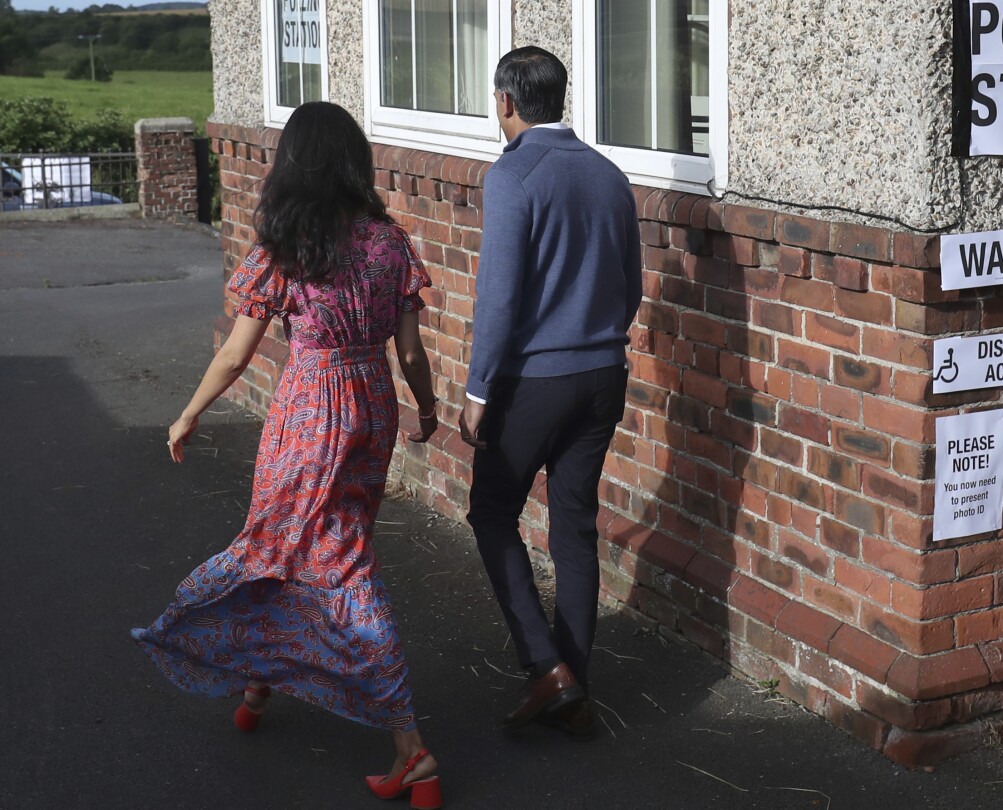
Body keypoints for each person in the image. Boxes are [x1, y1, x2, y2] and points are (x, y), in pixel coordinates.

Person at [132, 101, 444, 808]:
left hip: (310, 413)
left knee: (312, 554)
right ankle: (258, 684)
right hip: (373, 405)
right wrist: (427, 408)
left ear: (293, 165)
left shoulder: (286, 247)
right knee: (312, 543)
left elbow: (238, 354)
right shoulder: (390, 243)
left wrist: (187, 414)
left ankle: (410, 746)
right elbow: (412, 352)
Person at [459, 46, 641, 738]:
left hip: (536, 381)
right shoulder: (609, 173)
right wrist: (596, 342)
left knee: (493, 513)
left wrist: (479, 390)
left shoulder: (512, 176)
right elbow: (633, 287)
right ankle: (574, 686)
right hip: (605, 377)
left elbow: (498, 296)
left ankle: (544, 665)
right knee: (574, 524)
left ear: (506, 102)